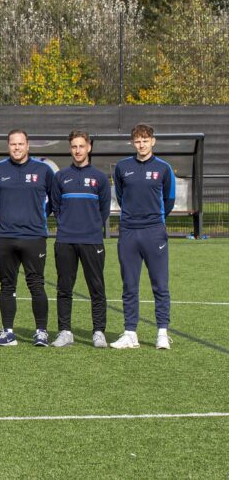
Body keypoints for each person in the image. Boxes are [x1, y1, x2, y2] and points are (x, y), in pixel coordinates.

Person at [111, 123, 175, 350]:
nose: (141, 144)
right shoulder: (122, 167)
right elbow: (120, 195)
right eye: (137, 141)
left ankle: (162, 333)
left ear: (153, 141)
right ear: (132, 143)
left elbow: (169, 200)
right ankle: (130, 333)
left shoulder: (164, 168)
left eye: (145, 140)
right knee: (129, 284)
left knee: (160, 284)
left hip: (154, 231)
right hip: (128, 231)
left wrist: (152, 219)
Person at [0, 129, 53, 347]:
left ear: (28, 145)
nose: (17, 148)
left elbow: (53, 199)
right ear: (8, 146)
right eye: (13, 144)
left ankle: (41, 332)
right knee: (7, 285)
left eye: (21, 144)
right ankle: (7, 332)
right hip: (5, 237)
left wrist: (37, 216)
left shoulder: (43, 170)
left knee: (36, 284)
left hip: (34, 236)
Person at [50, 130, 112, 348]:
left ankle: (98, 332)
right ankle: (65, 331)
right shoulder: (61, 177)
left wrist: (90, 226)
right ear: (70, 149)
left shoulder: (100, 178)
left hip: (92, 240)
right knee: (64, 287)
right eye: (74, 146)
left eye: (81, 146)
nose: (78, 150)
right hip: (65, 240)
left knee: (97, 287)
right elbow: (55, 207)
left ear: (89, 147)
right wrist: (68, 224)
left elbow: (103, 210)